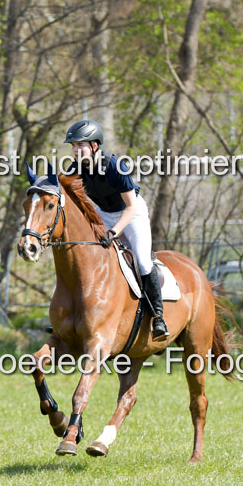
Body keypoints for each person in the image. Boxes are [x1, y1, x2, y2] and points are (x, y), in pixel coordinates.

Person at [63, 118, 169, 339]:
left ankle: (158, 316)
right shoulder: (76, 168)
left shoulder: (114, 165)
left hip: (131, 213)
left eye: (80, 145)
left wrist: (113, 232)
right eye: (73, 146)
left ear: (94, 146)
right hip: (104, 213)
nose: (75, 150)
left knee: (142, 260)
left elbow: (131, 206)